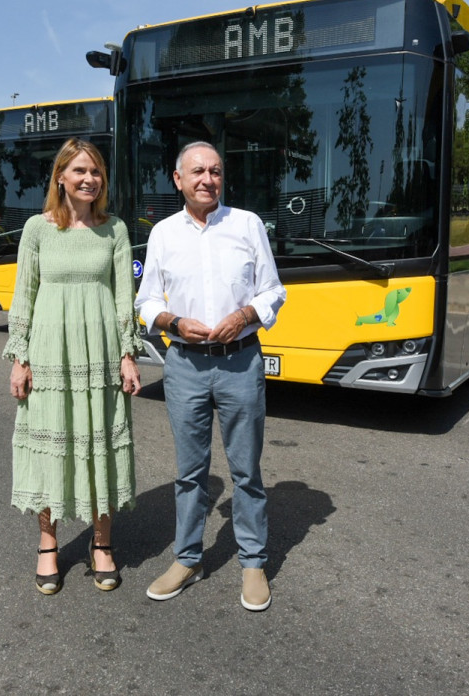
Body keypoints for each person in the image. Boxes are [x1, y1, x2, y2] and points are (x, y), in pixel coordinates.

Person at [135, 140, 287, 612]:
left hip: (240, 361)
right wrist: (173, 323)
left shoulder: (247, 224)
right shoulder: (162, 233)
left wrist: (244, 316)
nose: (208, 179)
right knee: (189, 472)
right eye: (198, 171)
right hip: (184, 365)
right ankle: (187, 558)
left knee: (246, 471)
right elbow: (146, 302)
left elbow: (273, 292)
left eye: (216, 171)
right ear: (178, 180)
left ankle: (253, 562)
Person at [3, 138, 143, 595]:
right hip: (49, 353)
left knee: (98, 443)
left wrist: (128, 354)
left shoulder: (116, 229)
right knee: (52, 444)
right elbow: (24, 293)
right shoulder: (36, 229)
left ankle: (101, 543)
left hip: (100, 353)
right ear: (60, 177)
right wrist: (20, 359)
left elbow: (125, 296)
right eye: (80, 170)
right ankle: (48, 544)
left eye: (96, 172)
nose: (89, 179)